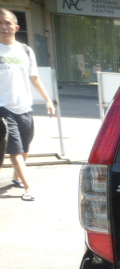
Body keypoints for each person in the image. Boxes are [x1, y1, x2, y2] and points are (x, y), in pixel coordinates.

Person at [0, 8, 55, 201]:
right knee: (15, 150)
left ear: (16, 27)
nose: (3, 27)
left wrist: (48, 100)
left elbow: (35, 78)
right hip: (3, 108)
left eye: (7, 23)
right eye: (0, 23)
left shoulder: (25, 50)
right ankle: (28, 187)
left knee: (24, 149)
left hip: (24, 107)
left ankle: (16, 177)